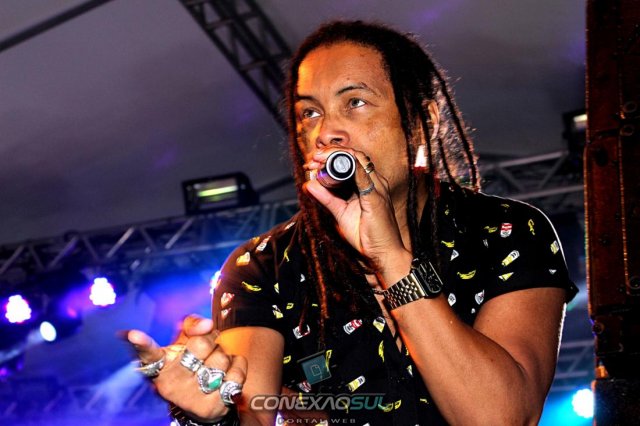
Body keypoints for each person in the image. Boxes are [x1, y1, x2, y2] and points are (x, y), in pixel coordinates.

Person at [127, 20, 578, 425]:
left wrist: (391, 260)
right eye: (310, 112)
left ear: (422, 122)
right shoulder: (263, 267)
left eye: (355, 102)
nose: (326, 132)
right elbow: (254, 413)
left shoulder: (507, 231)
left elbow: (501, 417)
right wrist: (210, 416)